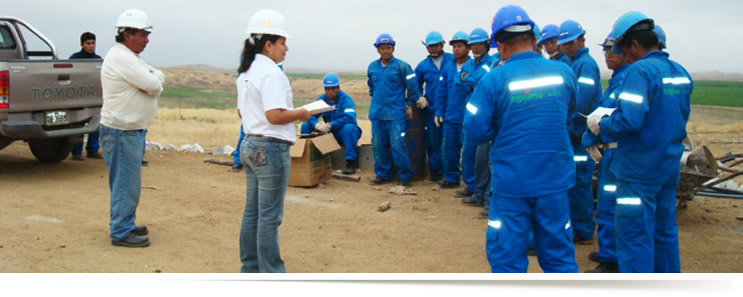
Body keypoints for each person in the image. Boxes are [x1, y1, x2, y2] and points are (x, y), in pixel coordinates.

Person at [464, 5, 578, 273]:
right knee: (560, 257)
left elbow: (475, 130)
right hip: (555, 181)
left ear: (500, 46)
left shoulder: (494, 80)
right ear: (534, 39)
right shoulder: (563, 73)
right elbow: (570, 114)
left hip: (512, 183)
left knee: (507, 259)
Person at [587, 11, 691, 273]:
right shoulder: (680, 72)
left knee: (634, 236)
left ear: (634, 45)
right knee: (664, 233)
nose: (623, 54)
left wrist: (601, 125)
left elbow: (629, 121)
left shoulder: (640, 72)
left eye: (623, 48)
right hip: (668, 167)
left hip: (637, 171)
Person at [236, 9, 309, 273]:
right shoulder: (270, 73)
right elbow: (274, 115)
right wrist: (302, 113)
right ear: (269, 45)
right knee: (269, 217)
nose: (286, 48)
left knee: (253, 212)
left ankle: (251, 268)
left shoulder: (246, 71)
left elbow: (241, 112)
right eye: (282, 42)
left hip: (251, 144)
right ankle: (271, 275)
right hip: (270, 149)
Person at [99, 9, 164, 248]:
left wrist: (153, 80)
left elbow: (157, 77)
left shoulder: (130, 57)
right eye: (143, 34)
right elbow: (152, 84)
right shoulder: (121, 58)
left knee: (127, 183)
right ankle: (121, 230)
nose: (146, 40)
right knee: (125, 184)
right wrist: (152, 81)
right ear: (127, 34)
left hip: (128, 131)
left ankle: (125, 222)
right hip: (121, 132)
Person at [581, 32, 630, 273]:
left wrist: (592, 133)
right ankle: (609, 253)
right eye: (606, 50)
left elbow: (620, 120)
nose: (608, 54)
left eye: (614, 49)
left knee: (612, 206)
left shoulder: (629, 80)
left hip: (620, 155)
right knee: (608, 205)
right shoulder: (617, 79)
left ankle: (611, 261)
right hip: (612, 154)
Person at [557, 19, 602, 245]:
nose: (567, 47)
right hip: (571, 132)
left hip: (578, 134)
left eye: (570, 42)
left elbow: (582, 103)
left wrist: (573, 128)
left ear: (582, 39)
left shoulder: (586, 65)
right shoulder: (572, 63)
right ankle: (576, 226)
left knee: (579, 184)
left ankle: (583, 230)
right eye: (564, 43)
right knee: (571, 182)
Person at [367, 33, 422, 187]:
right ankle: (383, 174)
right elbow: (371, 87)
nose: (385, 51)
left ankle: (405, 176)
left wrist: (410, 104)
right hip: (377, 114)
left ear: (393, 48)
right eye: (382, 48)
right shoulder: (372, 67)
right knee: (378, 145)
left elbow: (413, 87)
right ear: (378, 50)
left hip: (396, 114)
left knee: (398, 145)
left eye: (388, 48)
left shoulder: (402, 66)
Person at [456, 28, 493, 212]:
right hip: (471, 116)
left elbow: (480, 80)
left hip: (485, 117)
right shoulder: (470, 64)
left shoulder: (491, 63)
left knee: (487, 160)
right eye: (473, 45)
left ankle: (486, 198)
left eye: (479, 44)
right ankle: (475, 192)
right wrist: (467, 79)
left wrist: (467, 78)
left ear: (486, 45)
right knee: (472, 156)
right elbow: (458, 80)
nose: (475, 48)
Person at [300, 73, 363, 174]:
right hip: (329, 133)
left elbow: (350, 118)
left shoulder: (346, 100)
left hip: (343, 133)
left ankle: (351, 162)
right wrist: (316, 124)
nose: (330, 91)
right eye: (328, 89)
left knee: (349, 128)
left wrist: (331, 124)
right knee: (306, 125)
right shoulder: (322, 100)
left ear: (338, 88)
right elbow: (310, 115)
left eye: (333, 88)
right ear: (324, 89)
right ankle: (306, 158)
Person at [415, 31, 454, 182]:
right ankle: (436, 173)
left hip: (451, 109)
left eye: (436, 45)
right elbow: (415, 85)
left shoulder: (452, 61)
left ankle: (451, 172)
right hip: (431, 111)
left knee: (451, 141)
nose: (434, 49)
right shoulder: (422, 66)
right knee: (434, 143)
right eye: (430, 46)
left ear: (442, 45)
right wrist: (419, 96)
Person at [435, 31, 470, 189]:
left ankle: (471, 184)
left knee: (469, 152)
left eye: (460, 46)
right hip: (450, 116)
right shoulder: (447, 66)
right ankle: (451, 177)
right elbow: (442, 91)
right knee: (450, 149)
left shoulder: (472, 66)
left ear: (467, 48)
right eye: (454, 46)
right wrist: (439, 111)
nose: (456, 49)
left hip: (467, 117)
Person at [69, 32, 103, 161]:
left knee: (96, 124)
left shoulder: (98, 60)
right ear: (82, 44)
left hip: (94, 98)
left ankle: (93, 150)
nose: (91, 46)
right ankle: (76, 152)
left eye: (93, 43)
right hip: (78, 99)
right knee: (78, 125)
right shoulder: (75, 59)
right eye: (88, 43)